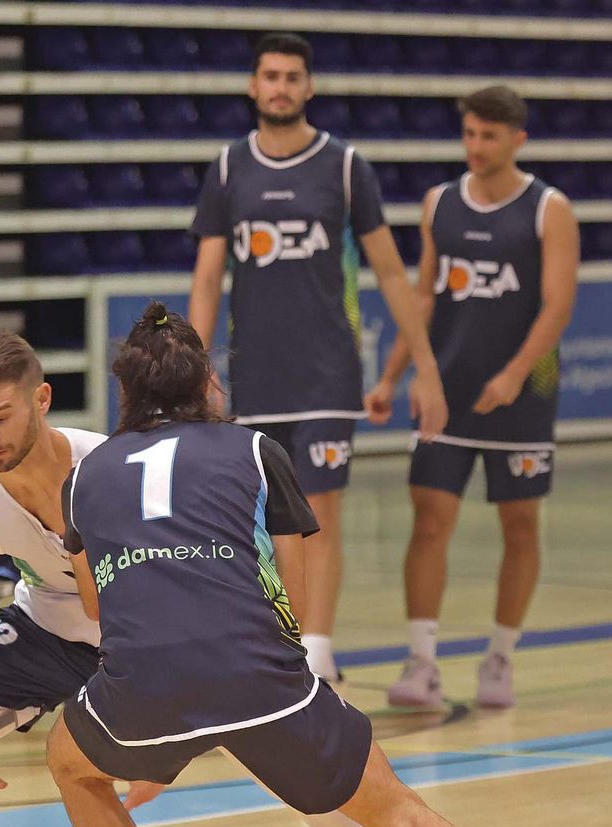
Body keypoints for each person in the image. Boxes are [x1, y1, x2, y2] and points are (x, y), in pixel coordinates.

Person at [21, 302, 610, 827]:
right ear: (207, 382)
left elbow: (99, 608)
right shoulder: (257, 451)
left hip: (139, 687)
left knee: (72, 765)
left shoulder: (84, 478)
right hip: (260, 677)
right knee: (397, 806)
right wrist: (252, 691)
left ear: (125, 396)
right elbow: (289, 599)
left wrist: (175, 714)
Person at [0, 333, 493, 827]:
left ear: (42, 400)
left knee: (309, 786)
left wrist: (153, 733)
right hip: (46, 631)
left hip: (150, 638)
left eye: (2, 417)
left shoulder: (105, 464)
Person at [188, 31, 449, 684]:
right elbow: (205, 278)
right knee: (257, 525)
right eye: (270, 75)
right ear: (253, 86)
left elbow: (392, 273)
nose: (280, 87)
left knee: (320, 515)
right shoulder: (227, 169)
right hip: (256, 377)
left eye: (292, 76)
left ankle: (318, 651)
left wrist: (425, 366)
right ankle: (276, 639)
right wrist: (196, 368)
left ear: (310, 87)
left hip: (329, 374)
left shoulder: (343, 166)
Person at [367, 85, 578, 710]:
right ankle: (422, 660)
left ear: (519, 139)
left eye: (490, 135)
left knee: (520, 524)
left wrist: (516, 371)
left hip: (523, 398)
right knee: (429, 520)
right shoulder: (440, 202)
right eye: (470, 134)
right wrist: (392, 374)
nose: (477, 146)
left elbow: (557, 303)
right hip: (448, 393)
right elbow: (426, 295)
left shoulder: (549, 209)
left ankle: (501, 656)